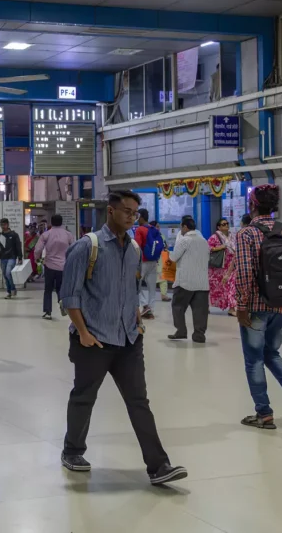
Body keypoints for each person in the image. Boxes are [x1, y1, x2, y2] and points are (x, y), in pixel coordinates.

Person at [59, 190, 187, 486]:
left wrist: (137, 323)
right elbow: (70, 296)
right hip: (94, 340)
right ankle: (73, 451)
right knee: (84, 397)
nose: (132, 217)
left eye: (134, 212)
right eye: (127, 211)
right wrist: (83, 333)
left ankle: (159, 466)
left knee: (138, 401)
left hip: (129, 340)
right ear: (111, 212)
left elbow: (132, 289)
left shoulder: (133, 249)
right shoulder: (86, 247)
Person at [233, 184, 282, 431]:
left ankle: (264, 414)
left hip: (256, 306)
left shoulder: (246, 234)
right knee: (271, 352)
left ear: (253, 206)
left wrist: (242, 306)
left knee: (254, 359)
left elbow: (244, 273)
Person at [169, 215, 211, 343]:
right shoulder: (204, 241)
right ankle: (199, 335)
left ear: (185, 227)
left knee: (178, 306)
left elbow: (174, 257)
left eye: (181, 227)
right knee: (200, 311)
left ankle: (181, 331)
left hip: (185, 281)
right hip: (202, 282)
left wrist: (167, 253)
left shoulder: (184, 240)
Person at [35, 214, 75, 320]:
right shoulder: (68, 235)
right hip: (63, 266)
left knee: (48, 289)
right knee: (60, 288)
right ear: (61, 222)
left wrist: (37, 258)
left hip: (49, 265)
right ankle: (63, 305)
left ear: (51, 223)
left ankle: (48, 312)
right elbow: (74, 248)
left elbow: (38, 249)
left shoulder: (46, 234)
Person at [133, 209, 163, 319]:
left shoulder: (140, 229)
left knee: (136, 285)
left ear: (140, 217)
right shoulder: (154, 229)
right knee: (152, 287)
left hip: (142, 262)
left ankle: (145, 305)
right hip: (154, 261)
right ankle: (151, 310)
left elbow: (137, 246)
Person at [207, 218, 237, 316]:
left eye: (227, 223)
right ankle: (206, 306)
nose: (226, 225)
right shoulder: (214, 237)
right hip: (218, 268)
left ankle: (232, 308)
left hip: (231, 266)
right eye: (223, 224)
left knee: (232, 286)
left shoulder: (232, 236)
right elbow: (208, 249)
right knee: (216, 288)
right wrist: (219, 247)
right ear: (219, 227)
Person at [0, 218, 23, 299]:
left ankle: (13, 288)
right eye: (1, 225)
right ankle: (9, 292)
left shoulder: (14, 235)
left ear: (8, 224)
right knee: (5, 275)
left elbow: (18, 246)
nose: (3, 226)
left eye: (4, 225)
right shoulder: (0, 235)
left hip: (12, 257)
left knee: (8, 273)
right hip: (3, 258)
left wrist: (20, 257)